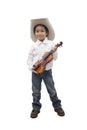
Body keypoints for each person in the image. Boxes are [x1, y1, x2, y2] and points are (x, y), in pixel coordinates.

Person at [27, 18, 65, 118]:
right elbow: (29, 59)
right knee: (35, 91)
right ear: (35, 33)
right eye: (37, 31)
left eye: (42, 31)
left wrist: (55, 50)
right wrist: (32, 67)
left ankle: (57, 106)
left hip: (47, 71)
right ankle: (36, 108)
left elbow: (55, 58)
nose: (40, 33)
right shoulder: (33, 46)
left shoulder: (51, 44)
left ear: (46, 32)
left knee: (51, 89)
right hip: (35, 72)